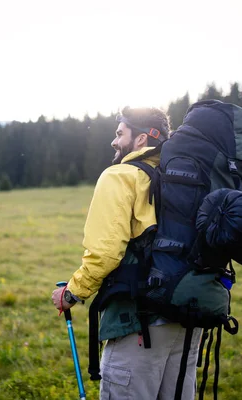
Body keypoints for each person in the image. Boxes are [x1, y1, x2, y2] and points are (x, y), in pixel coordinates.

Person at [51, 106, 202, 400]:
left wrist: (71, 293)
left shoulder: (120, 176)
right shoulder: (184, 178)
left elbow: (105, 254)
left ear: (141, 139)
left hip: (140, 322)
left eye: (120, 133)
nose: (114, 141)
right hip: (189, 317)